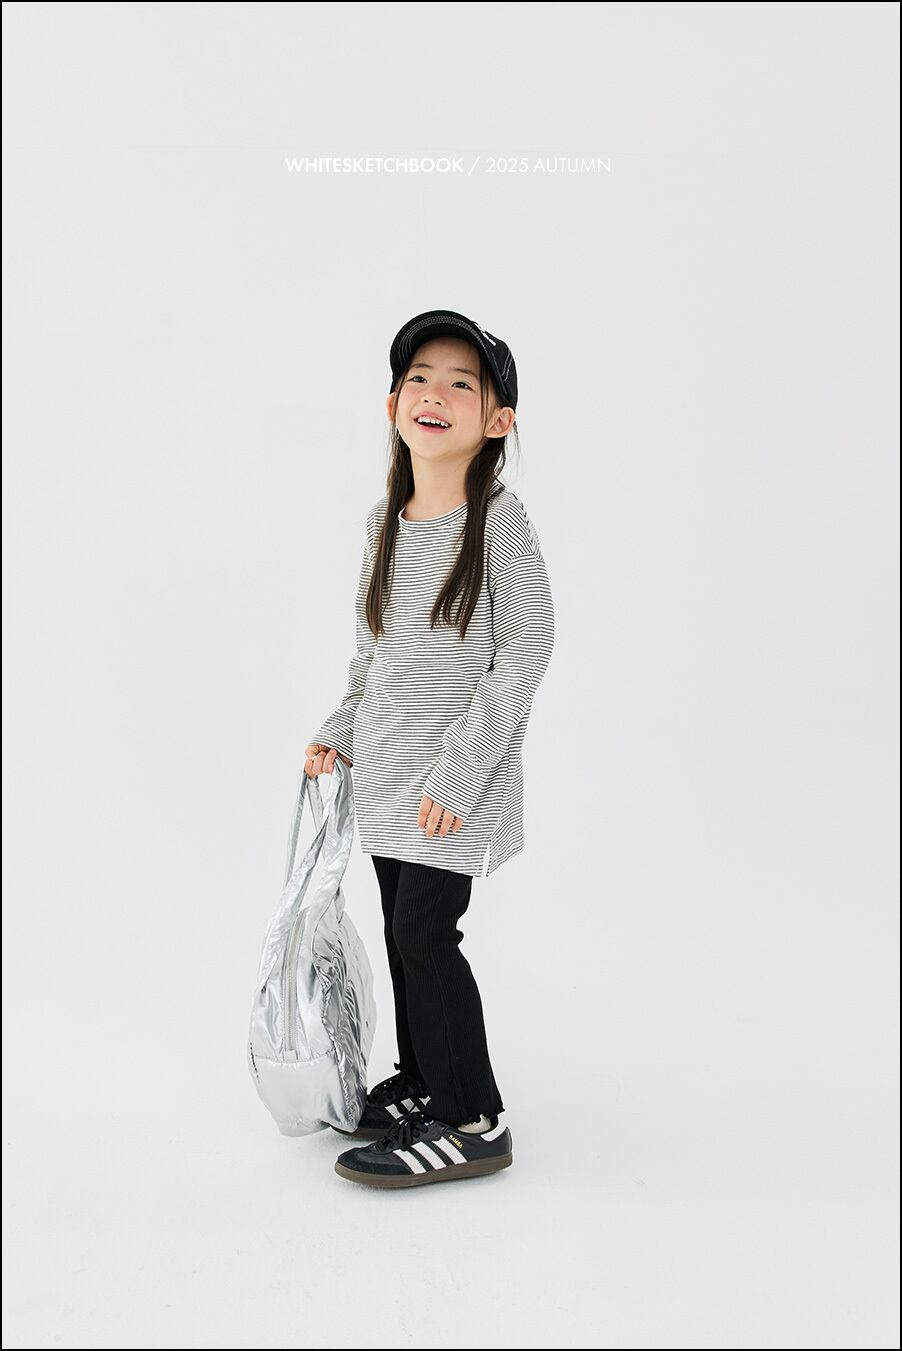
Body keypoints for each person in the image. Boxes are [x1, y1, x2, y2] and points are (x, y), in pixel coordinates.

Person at [305, 309, 555, 1188]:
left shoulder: (499, 523)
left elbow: (526, 647)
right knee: (400, 929)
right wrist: (341, 729)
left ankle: (472, 1117)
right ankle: (422, 1079)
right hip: (389, 771)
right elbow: (372, 650)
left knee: (426, 931)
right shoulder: (387, 521)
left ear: (498, 420)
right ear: (392, 405)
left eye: (460, 382)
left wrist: (462, 767)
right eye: (418, 378)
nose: (434, 393)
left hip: (454, 781)